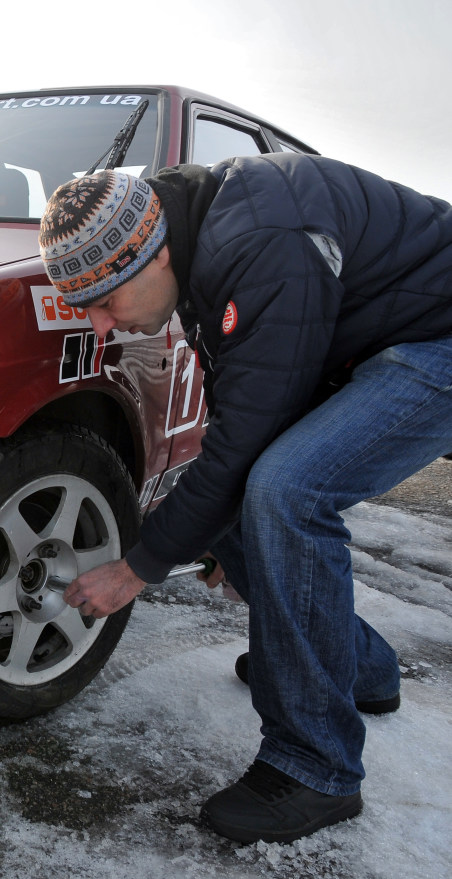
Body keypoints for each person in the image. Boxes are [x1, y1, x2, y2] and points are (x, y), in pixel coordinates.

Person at [40, 155, 452, 845]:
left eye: (106, 302)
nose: (103, 327)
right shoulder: (196, 232)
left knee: (287, 489)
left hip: (436, 338)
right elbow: (234, 428)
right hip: (373, 340)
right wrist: (206, 535)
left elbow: (249, 448)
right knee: (230, 498)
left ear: (157, 255)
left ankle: (313, 765)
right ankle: (359, 669)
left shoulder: (263, 241)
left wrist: (136, 566)